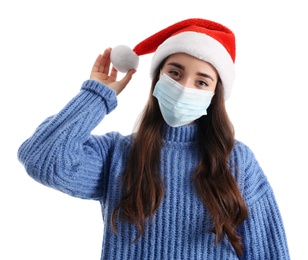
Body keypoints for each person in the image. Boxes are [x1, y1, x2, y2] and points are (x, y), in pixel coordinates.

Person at [17, 18, 290, 259]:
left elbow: (268, 251)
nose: (184, 87)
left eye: (202, 81)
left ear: (214, 94)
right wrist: (97, 95)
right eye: (175, 72)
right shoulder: (117, 153)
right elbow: (41, 158)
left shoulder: (237, 161)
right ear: (157, 77)